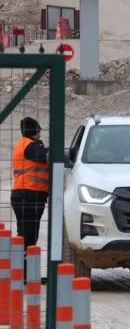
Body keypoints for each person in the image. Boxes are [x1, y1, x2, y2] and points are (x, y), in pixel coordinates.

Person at [11, 117, 50, 284]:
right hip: (29, 195)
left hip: (24, 195)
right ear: (35, 131)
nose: (40, 134)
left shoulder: (24, 144)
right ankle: (24, 275)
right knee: (28, 236)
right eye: (39, 131)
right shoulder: (31, 145)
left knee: (25, 234)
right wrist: (50, 148)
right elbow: (43, 155)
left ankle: (22, 273)